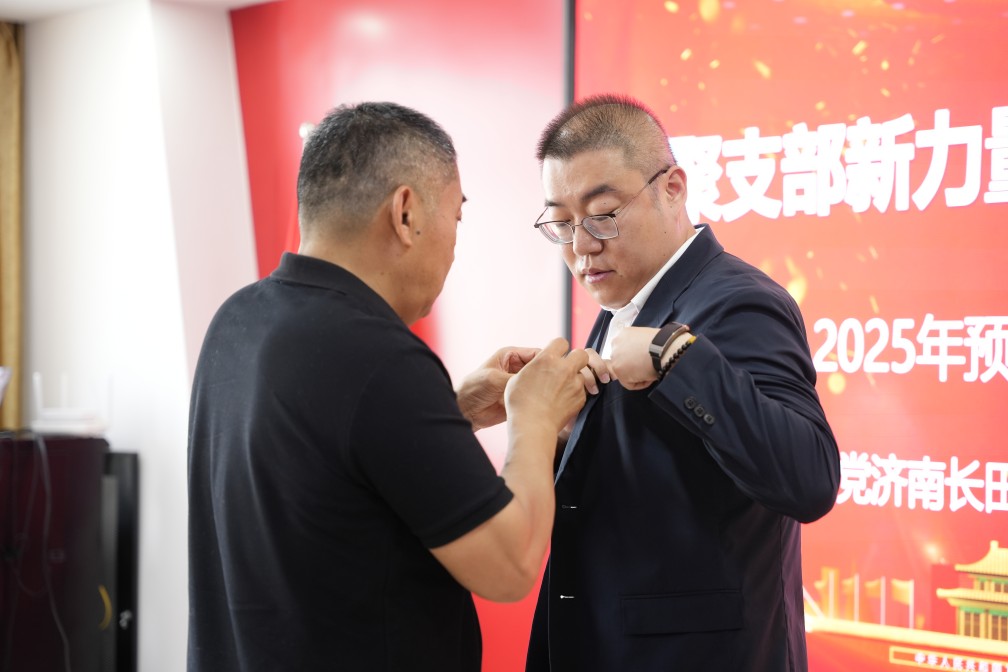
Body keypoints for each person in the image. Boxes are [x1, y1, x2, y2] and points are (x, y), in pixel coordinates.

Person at [187, 101, 590, 672]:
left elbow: (332, 469)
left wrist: (452, 413)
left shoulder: (238, 321)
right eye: (456, 218)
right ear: (405, 213)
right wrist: (535, 417)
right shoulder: (379, 358)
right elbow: (510, 564)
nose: (453, 245)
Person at [525, 94, 841, 671]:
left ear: (672, 188)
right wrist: (565, 432)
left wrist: (675, 356)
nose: (581, 247)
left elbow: (809, 477)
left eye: (603, 215)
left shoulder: (739, 301)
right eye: (563, 224)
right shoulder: (626, 297)